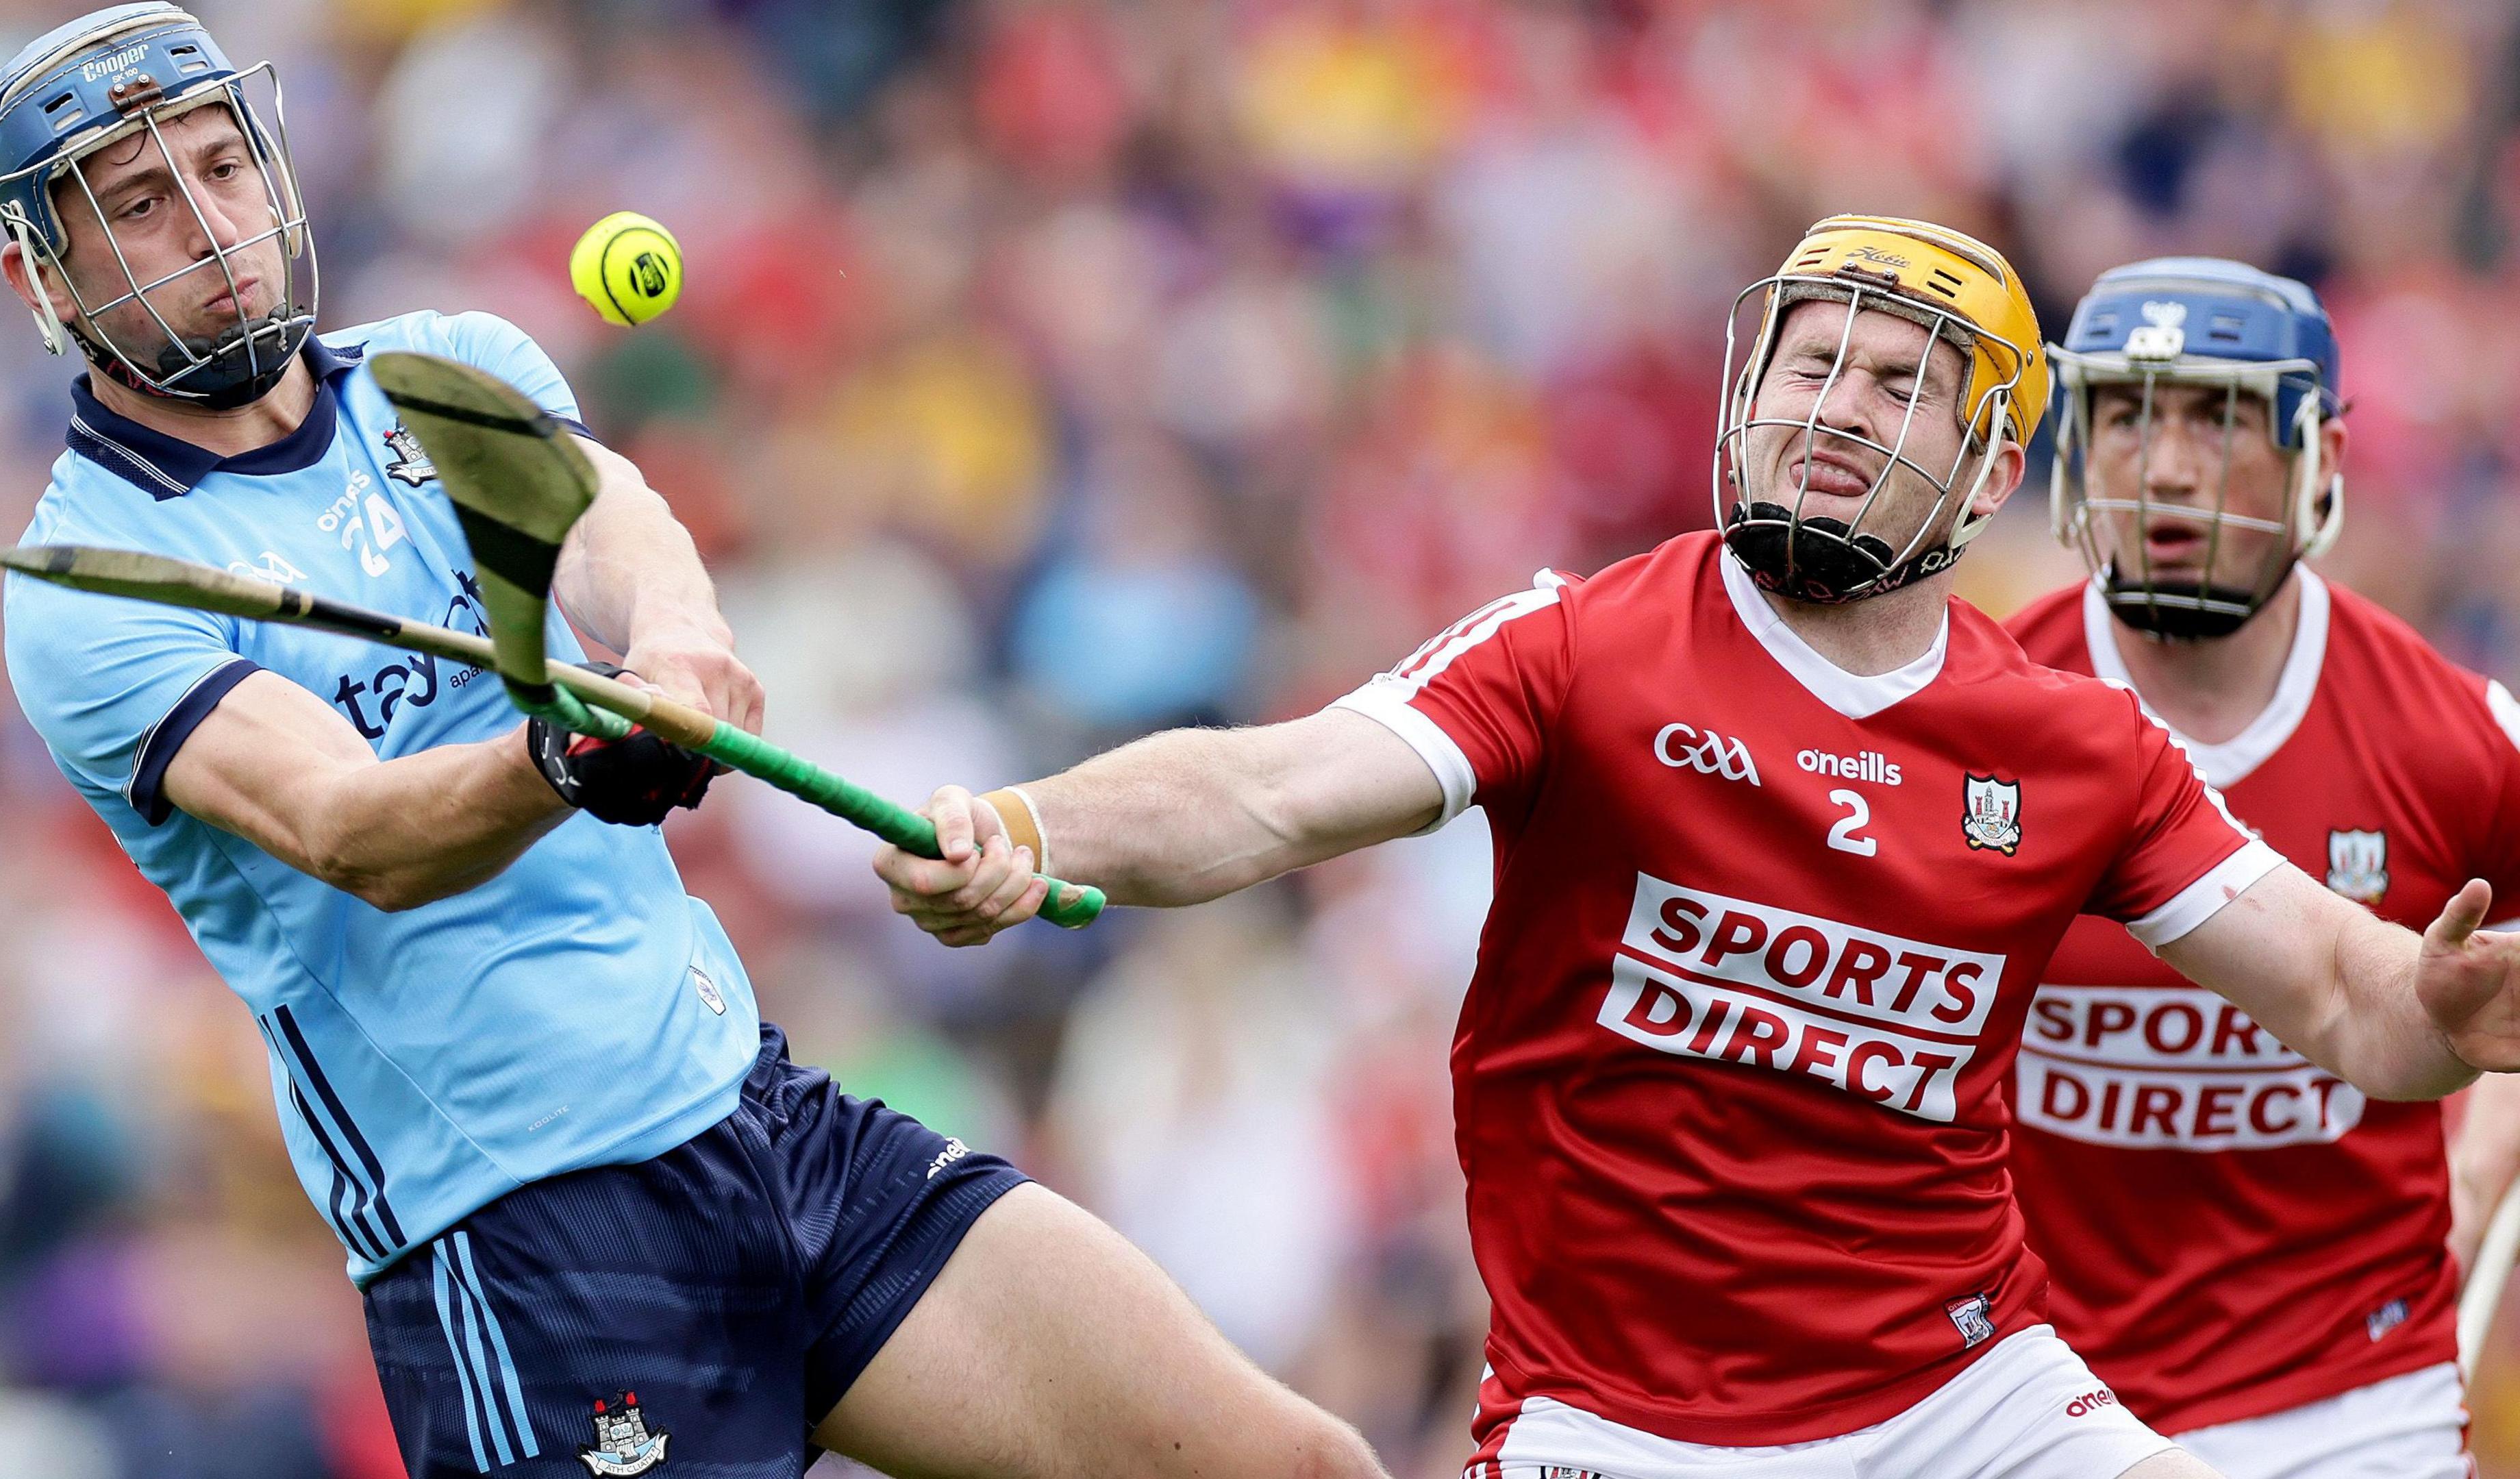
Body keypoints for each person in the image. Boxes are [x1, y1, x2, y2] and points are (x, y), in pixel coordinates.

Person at [874, 214, 2520, 1479]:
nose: (1837, 408)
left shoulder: (2074, 744)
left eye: (1901, 385)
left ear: (1994, 466)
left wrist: (2444, 1012)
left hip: (1966, 1391)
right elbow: (1267, 791)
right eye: (1812, 364)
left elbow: (2334, 989)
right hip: (1627, 1422)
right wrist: (1032, 824)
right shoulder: (1584, 651)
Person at [0, 8, 1384, 1477]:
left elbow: (613, 528)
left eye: (220, 168)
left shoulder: (438, 370)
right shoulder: (96, 587)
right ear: (41, 277)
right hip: (525, 1240)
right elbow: (353, 828)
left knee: (1291, 1465)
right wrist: (564, 763)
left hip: (752, 1117)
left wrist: (671, 652)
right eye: (138, 206)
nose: (209, 229)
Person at [2002, 256, 2520, 1478]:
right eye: (2130, 414)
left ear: (2322, 459)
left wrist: (2485, 1159)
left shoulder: (2452, 737)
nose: (2169, 466)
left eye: (2220, 417)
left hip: (2347, 1388)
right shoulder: (1971, 716)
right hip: (2016, 1384)